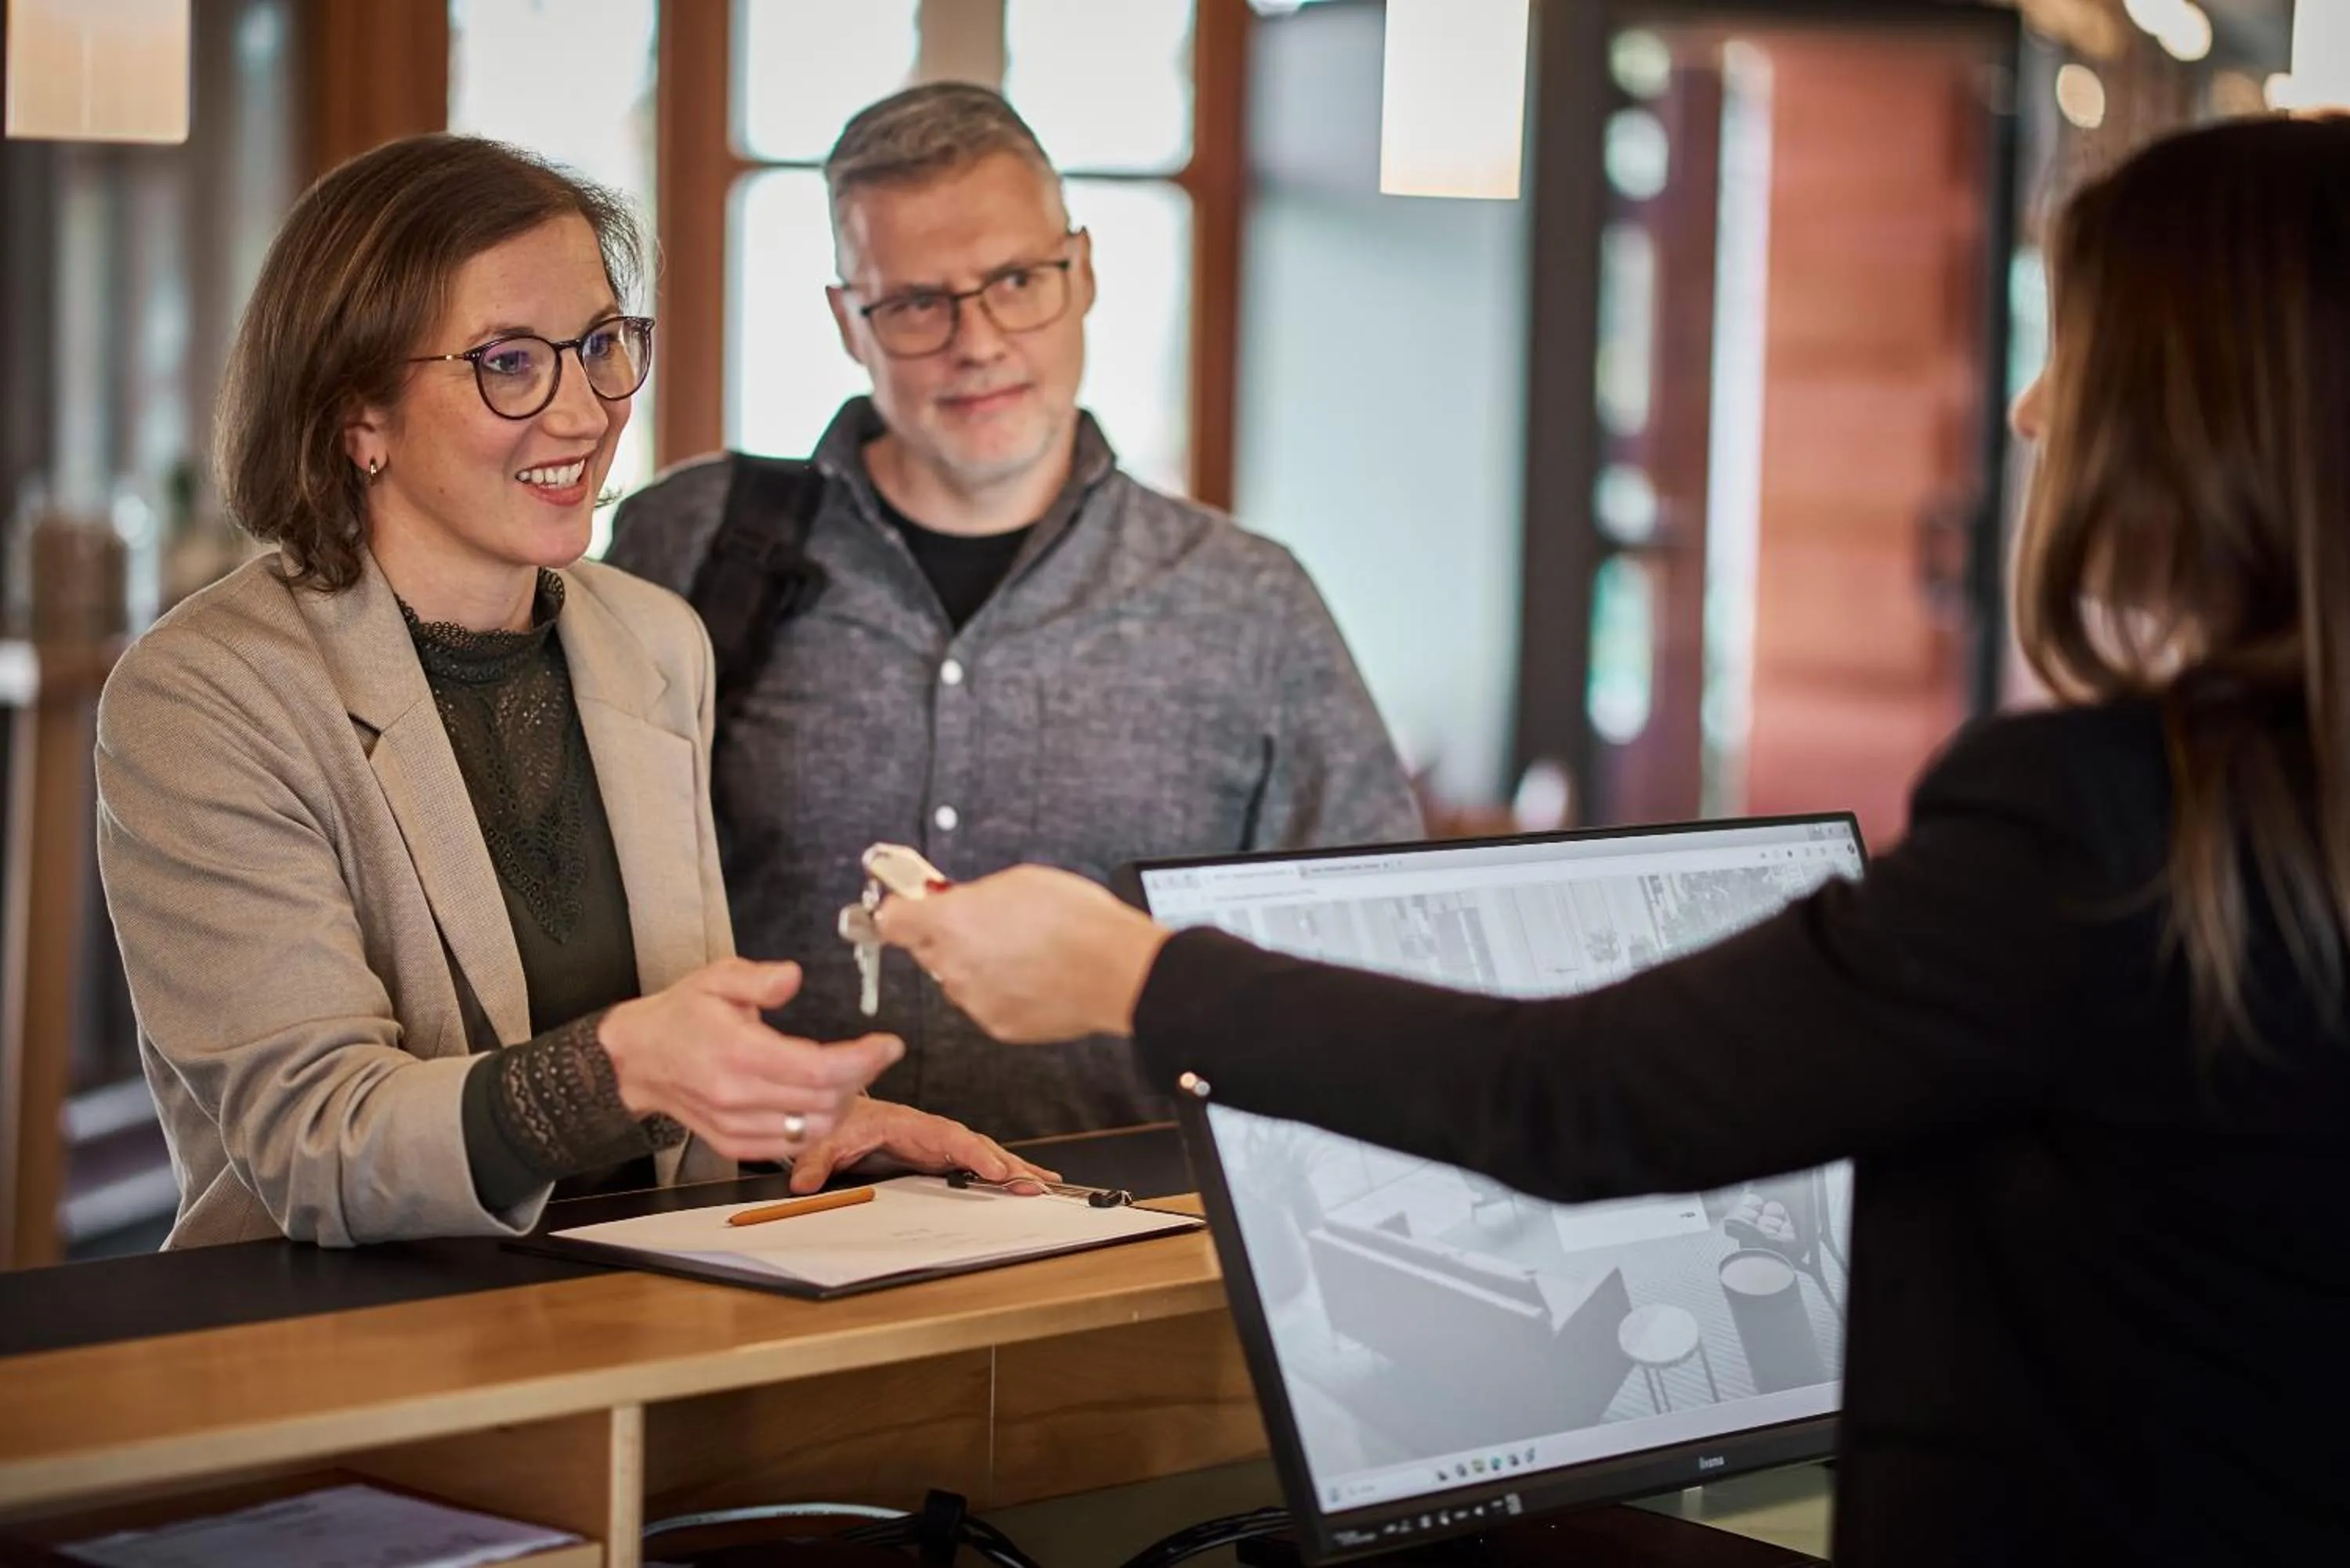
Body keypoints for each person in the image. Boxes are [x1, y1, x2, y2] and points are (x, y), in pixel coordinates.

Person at [873, 116, 2350, 1566]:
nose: (2031, 413)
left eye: (2075, 350)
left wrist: (1142, 976)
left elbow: (1580, 1098)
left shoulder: (2096, 824)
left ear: (2203, 410)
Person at [95, 134, 1048, 1251]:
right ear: (358, 413)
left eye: (602, 344)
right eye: (508, 361)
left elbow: (672, 1121)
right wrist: (618, 1066)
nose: (586, 411)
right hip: (345, 1360)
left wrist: (809, 1120)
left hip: (649, 1329)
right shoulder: (206, 696)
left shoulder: (653, 641)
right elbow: (316, 1143)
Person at [604, 84, 1419, 1144]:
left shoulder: (1252, 603)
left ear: (1082, 274)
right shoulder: (690, 542)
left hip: (1126, 1237)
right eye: (915, 303)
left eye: (1018, 281)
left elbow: (1365, 955)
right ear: (851, 321)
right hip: (747, 1226)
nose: (977, 342)